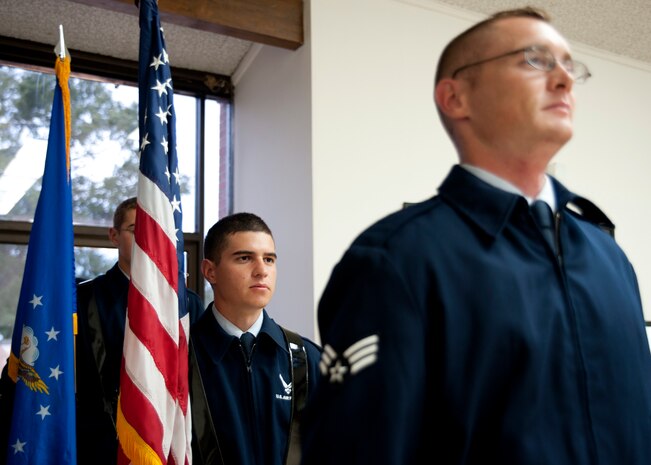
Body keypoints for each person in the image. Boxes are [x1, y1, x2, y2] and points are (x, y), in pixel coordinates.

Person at [300, 7, 651, 465]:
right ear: (456, 97)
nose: (564, 79)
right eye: (534, 60)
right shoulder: (396, 261)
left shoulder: (609, 258)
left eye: (570, 65)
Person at [0, 196, 204, 464]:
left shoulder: (187, 304)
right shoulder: (79, 300)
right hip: (96, 449)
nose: (146, 239)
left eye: (154, 231)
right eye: (134, 229)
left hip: (168, 449)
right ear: (114, 235)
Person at [190, 212, 322, 465]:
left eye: (269, 259)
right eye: (244, 258)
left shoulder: (305, 359)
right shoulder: (179, 356)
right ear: (210, 271)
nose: (261, 271)